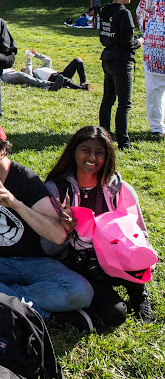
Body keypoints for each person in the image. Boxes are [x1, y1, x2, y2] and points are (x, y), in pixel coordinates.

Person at [0, 121, 94, 328]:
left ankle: (0, 298)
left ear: (3, 148)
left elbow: (58, 235)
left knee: (81, 292)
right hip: (1, 262)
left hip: (38, 264)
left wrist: (16, 205)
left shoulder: (26, 179)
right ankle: (40, 311)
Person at [43, 126, 154, 328]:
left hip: (117, 257)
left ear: (107, 156)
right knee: (115, 314)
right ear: (73, 152)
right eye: (85, 150)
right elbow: (47, 249)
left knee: (137, 253)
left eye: (99, 152)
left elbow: (140, 232)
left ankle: (139, 296)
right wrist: (65, 229)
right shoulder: (56, 190)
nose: (92, 157)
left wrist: (146, 256)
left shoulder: (119, 189)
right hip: (80, 264)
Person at [99, 0, 141, 150]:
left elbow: (103, 36)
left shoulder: (105, 10)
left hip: (108, 58)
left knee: (108, 99)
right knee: (124, 103)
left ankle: (102, 136)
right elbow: (128, 42)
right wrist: (140, 42)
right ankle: (124, 142)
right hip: (121, 62)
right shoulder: (124, 13)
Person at [135, 0, 165, 139]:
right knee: (154, 89)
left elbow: (141, 11)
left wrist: (148, 31)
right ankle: (156, 127)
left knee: (154, 90)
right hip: (156, 48)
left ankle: (156, 127)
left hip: (155, 46)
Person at [1, 48, 91, 91]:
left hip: (59, 74)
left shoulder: (42, 68)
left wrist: (36, 55)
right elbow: (28, 75)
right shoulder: (34, 74)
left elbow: (48, 60)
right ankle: (81, 88)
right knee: (61, 78)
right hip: (52, 78)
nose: (24, 69)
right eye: (23, 69)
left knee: (78, 60)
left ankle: (83, 82)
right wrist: (28, 61)